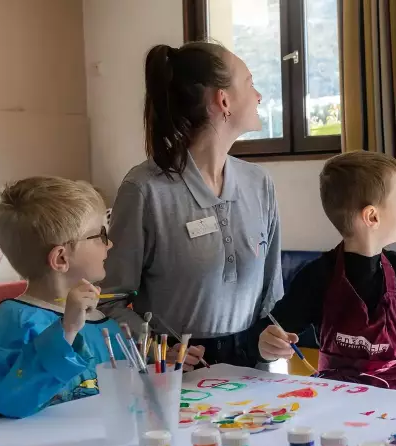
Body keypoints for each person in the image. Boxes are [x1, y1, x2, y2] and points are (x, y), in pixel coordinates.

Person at [101, 42, 282, 370]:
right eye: (250, 82)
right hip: (178, 377)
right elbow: (109, 302)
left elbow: (271, 298)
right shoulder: (144, 189)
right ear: (223, 100)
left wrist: (272, 338)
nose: (258, 95)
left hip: (253, 377)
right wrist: (156, 348)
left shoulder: (260, 184)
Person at [254, 151, 396, 392]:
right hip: (335, 407)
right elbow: (268, 332)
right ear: (372, 216)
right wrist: (267, 345)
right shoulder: (317, 276)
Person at [0, 177, 126, 424]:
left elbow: (124, 386)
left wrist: (164, 364)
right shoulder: (16, 320)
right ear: (61, 258)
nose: (110, 243)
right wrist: (67, 330)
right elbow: (10, 400)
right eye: (100, 234)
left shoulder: (101, 320)